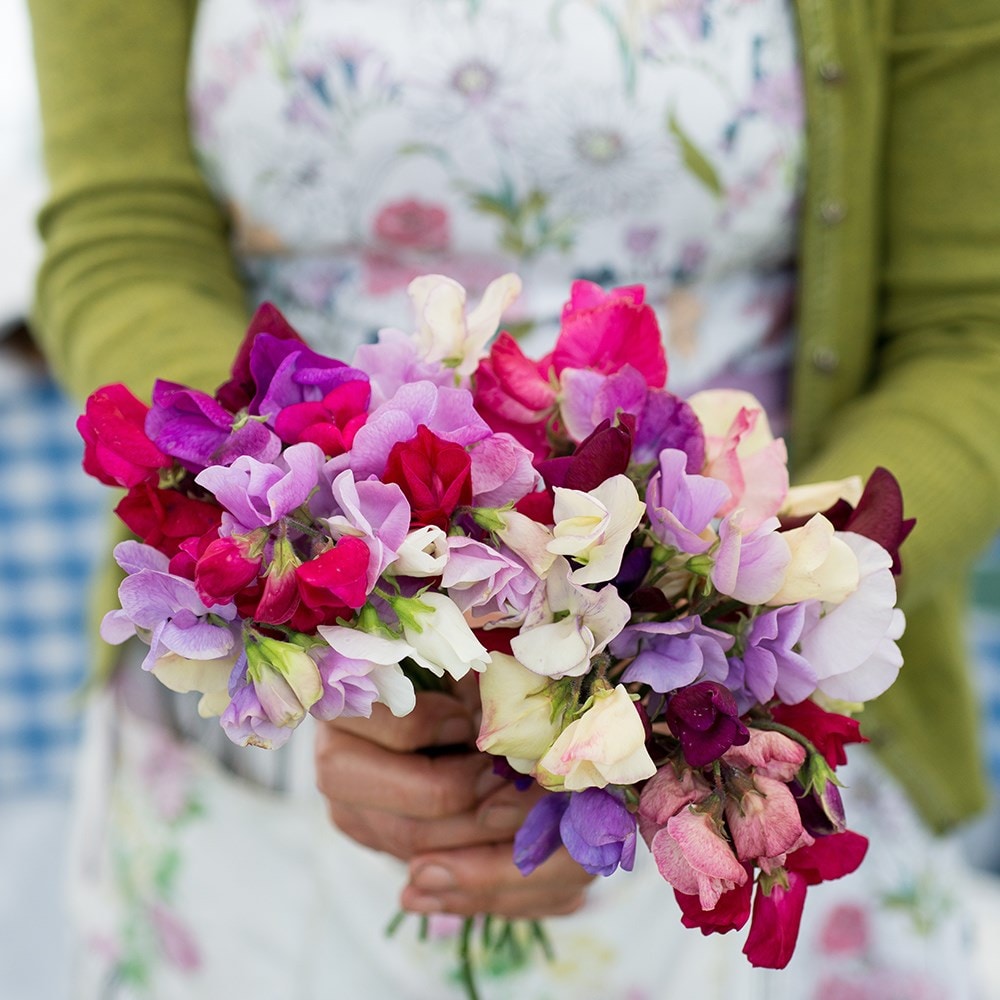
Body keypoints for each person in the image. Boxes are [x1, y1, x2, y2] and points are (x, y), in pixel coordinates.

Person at [25, 1, 1000, 997]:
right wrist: (342, 614)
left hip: (726, 697)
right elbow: (127, 235)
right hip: (292, 713)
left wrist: (681, 678)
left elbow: (968, 330)